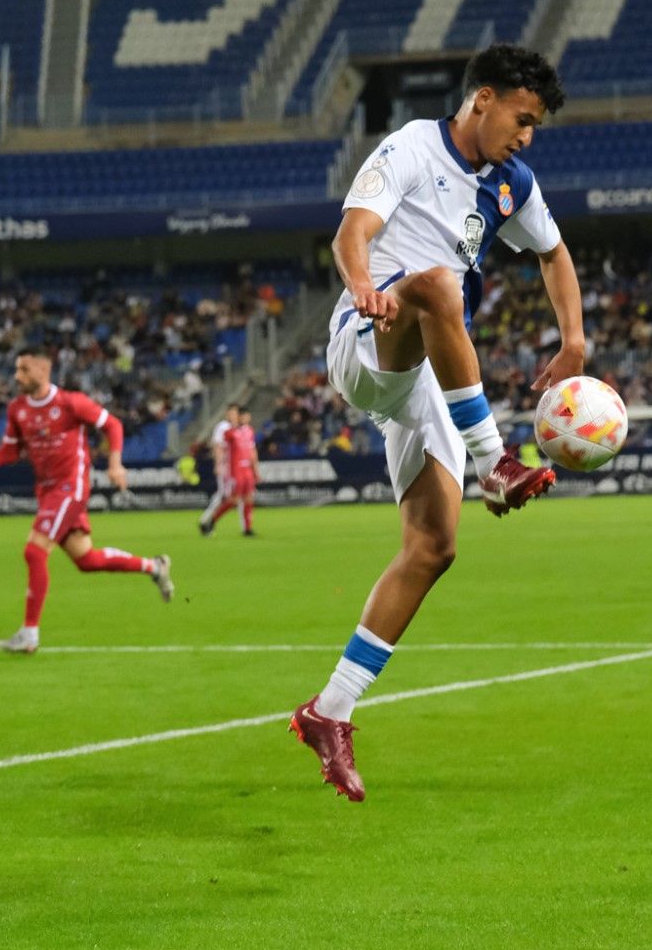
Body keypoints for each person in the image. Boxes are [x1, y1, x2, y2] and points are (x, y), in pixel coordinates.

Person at [291, 42, 582, 802]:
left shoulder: (514, 183)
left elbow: (553, 255)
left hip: (426, 378)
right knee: (435, 285)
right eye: (522, 119)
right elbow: (351, 231)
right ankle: (495, 460)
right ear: (482, 99)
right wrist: (361, 286)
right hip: (369, 337)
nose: (526, 136)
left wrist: (575, 338)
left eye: (536, 126)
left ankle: (330, 710)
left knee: (434, 547)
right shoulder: (413, 146)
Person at [0, 348, 172, 655]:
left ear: (42, 371)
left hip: (70, 487)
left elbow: (112, 425)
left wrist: (115, 464)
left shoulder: (71, 403)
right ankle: (154, 566)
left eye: (23, 370)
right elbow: (10, 451)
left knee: (34, 552)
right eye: (17, 369)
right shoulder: (17, 409)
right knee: (86, 560)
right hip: (47, 492)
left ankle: (29, 634)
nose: (17, 376)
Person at [197, 403, 243, 537]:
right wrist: (218, 464)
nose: (232, 415)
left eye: (234, 413)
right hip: (226, 466)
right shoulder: (223, 427)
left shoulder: (237, 428)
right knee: (223, 495)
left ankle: (209, 521)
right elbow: (217, 446)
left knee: (232, 496)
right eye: (230, 413)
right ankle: (205, 520)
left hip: (235, 466)